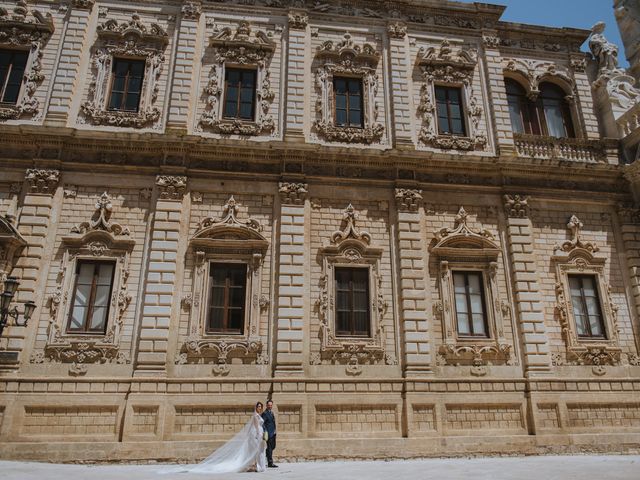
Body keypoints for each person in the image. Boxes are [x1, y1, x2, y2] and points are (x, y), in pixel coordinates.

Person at [159, 402, 267, 474]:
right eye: (258, 407)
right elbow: (256, 427)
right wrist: (259, 436)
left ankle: (256, 466)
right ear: (256, 408)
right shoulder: (255, 416)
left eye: (261, 407)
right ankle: (255, 466)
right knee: (254, 451)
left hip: (257, 435)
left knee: (255, 452)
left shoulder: (259, 415)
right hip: (256, 436)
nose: (260, 408)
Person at [261, 399, 278, 468]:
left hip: (273, 433)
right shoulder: (265, 413)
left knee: (273, 447)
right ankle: (270, 462)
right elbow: (262, 423)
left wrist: (275, 430)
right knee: (270, 448)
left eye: (271, 405)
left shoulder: (271, 412)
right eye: (269, 405)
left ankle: (268, 455)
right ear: (266, 405)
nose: (270, 406)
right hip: (268, 433)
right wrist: (265, 431)